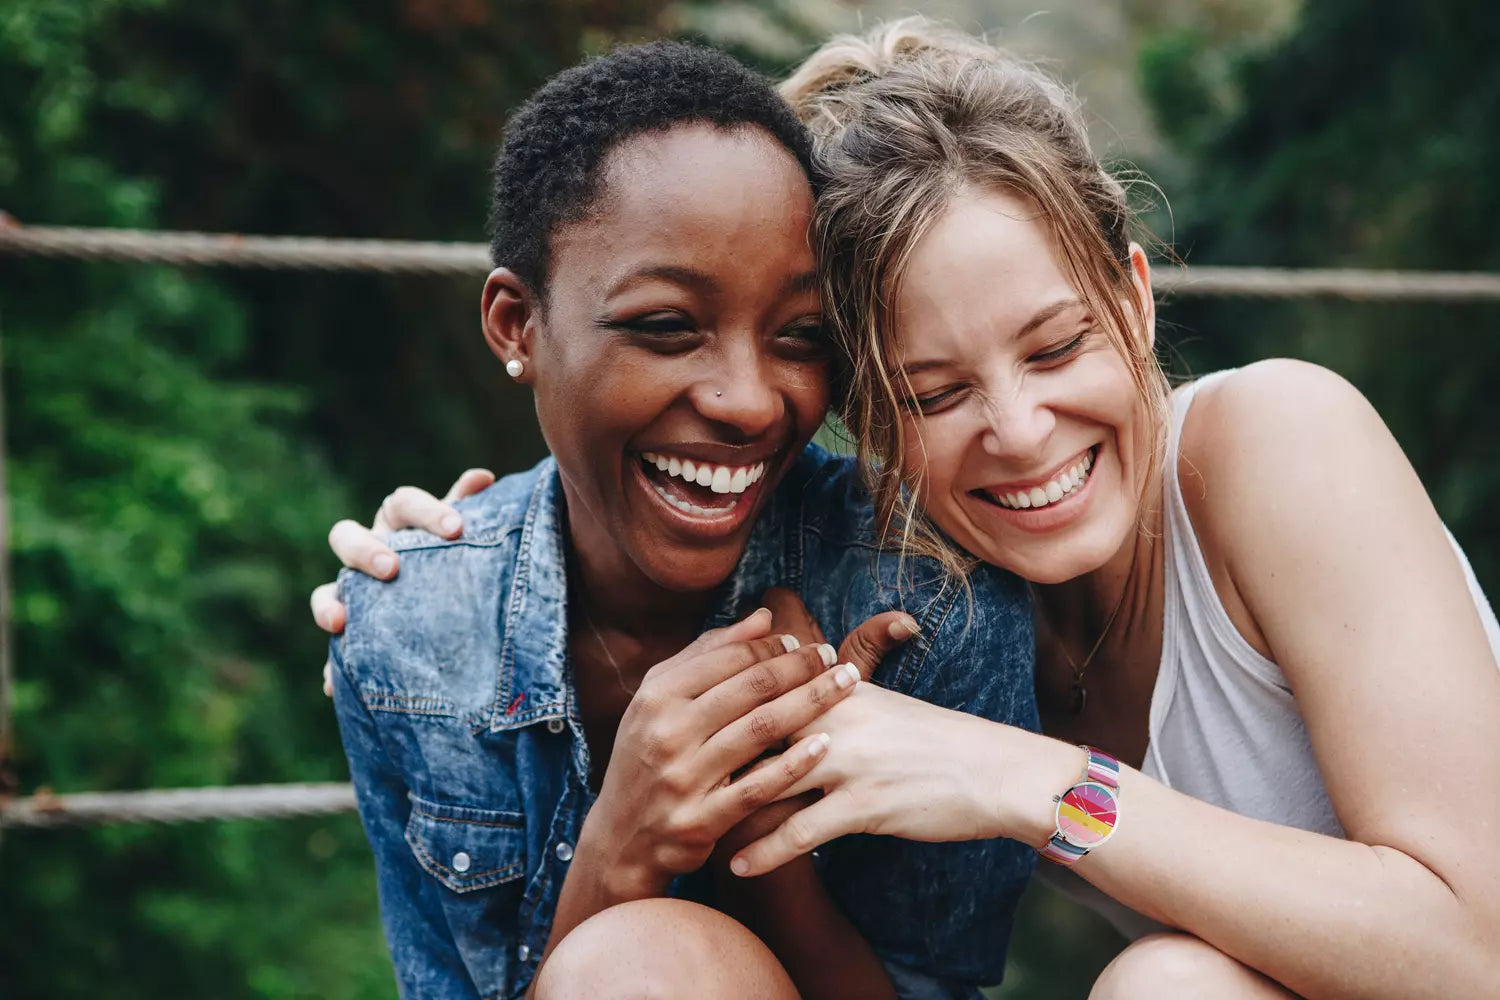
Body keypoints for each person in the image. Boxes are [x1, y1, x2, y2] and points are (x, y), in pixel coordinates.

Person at [325, 19, 1500, 1000]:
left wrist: (1029, 780)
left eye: (1057, 346)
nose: (1023, 430)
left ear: (1134, 299)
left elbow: (1476, 946)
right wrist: (460, 570)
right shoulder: (941, 597)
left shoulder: (1276, 440)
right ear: (865, 421)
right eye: (934, 392)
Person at [320, 38, 1037, 1000]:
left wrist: (768, 829)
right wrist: (622, 849)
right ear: (515, 326)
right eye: (666, 327)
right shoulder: (408, 637)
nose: (748, 401)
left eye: (801, 338)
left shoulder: (923, 599)